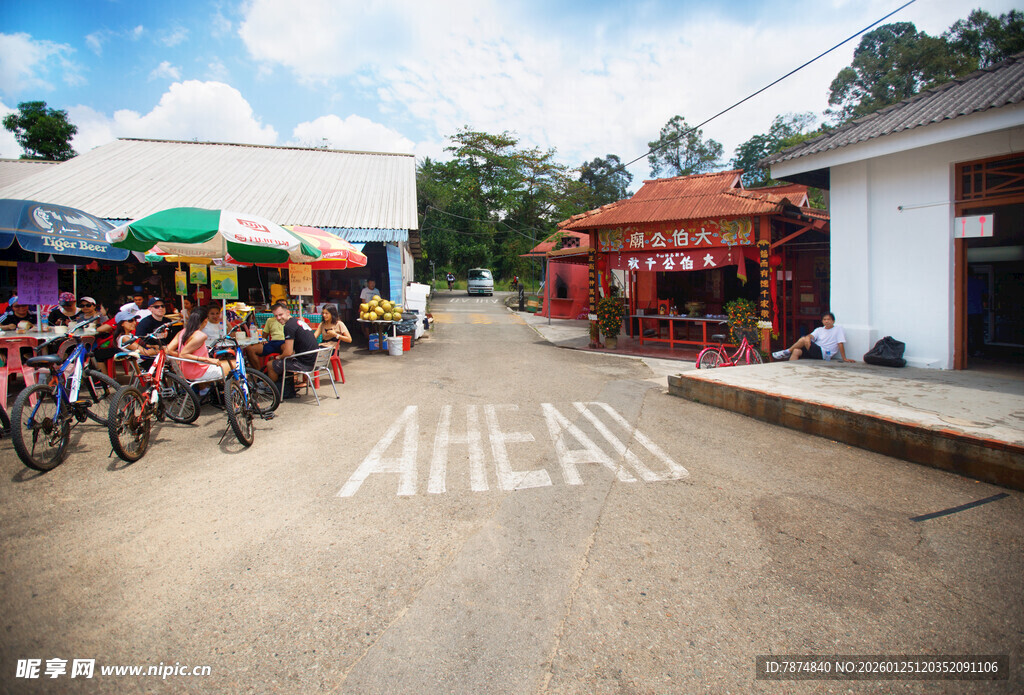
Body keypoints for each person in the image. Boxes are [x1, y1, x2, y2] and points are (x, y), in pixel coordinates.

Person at [265, 301, 319, 397]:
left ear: (288, 312)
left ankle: (274, 391)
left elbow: (288, 352)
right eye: (276, 316)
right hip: (315, 361)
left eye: (280, 314)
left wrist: (278, 357)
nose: (278, 318)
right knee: (284, 361)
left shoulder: (289, 326)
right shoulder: (298, 322)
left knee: (270, 364)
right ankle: (284, 389)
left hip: (305, 364)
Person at [166, 304, 232, 382]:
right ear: (205, 320)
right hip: (198, 373)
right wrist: (208, 360)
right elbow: (183, 354)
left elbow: (168, 350)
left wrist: (179, 357)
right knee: (234, 365)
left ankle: (205, 390)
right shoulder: (200, 335)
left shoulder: (182, 332)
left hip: (183, 372)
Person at [92, 308, 160, 371]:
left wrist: (153, 347)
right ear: (122, 324)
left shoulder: (129, 335)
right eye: (130, 321)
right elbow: (146, 352)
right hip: (145, 362)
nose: (134, 323)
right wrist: (161, 351)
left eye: (134, 320)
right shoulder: (125, 338)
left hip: (146, 360)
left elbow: (140, 345)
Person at [772, 312, 855, 362]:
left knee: (804, 339)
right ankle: (790, 369)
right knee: (797, 350)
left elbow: (840, 343)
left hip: (825, 353)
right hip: (816, 350)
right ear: (822, 321)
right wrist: (808, 338)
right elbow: (811, 336)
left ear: (833, 321)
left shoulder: (838, 329)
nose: (826, 321)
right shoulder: (819, 329)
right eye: (824, 319)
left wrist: (844, 358)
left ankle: (787, 351)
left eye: (828, 319)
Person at [135, 298, 180, 366]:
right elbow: (138, 340)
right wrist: (154, 346)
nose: (160, 308)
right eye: (156, 307)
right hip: (150, 355)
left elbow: (172, 337)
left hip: (166, 351)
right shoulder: (145, 322)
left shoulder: (167, 321)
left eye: (162, 306)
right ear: (150, 309)